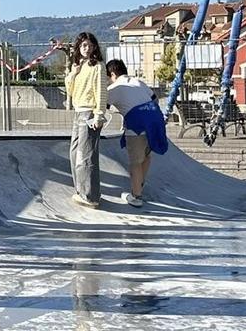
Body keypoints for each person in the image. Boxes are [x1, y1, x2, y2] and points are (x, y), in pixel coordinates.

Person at [106, 58, 168, 208]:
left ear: (112, 74)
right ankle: (139, 185)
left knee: (135, 162)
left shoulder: (114, 88)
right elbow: (155, 100)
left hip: (137, 125)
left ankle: (136, 196)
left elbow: (104, 107)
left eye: (107, 77)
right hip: (155, 121)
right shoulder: (138, 82)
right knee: (146, 156)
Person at [65, 32, 107, 208]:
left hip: (89, 113)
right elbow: (70, 89)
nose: (87, 49)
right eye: (83, 46)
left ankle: (90, 196)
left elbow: (101, 91)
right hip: (78, 112)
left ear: (94, 47)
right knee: (75, 153)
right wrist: (73, 73)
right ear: (78, 47)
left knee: (87, 155)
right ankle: (80, 189)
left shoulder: (97, 66)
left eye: (90, 45)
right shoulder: (77, 65)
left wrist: (99, 114)